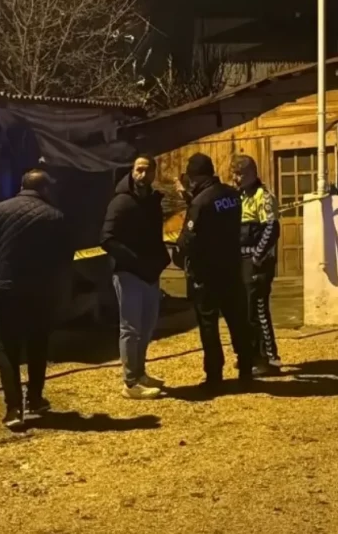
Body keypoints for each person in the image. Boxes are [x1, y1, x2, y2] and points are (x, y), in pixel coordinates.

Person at [0, 168, 74, 431]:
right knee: (37, 345)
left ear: (22, 186)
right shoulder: (55, 216)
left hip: (6, 289)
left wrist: (5, 261)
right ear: (45, 189)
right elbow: (65, 257)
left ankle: (13, 409)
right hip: (41, 291)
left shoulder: (0, 209)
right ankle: (35, 399)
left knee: (8, 349)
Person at [171, 153, 257, 391]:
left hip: (206, 273)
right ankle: (246, 367)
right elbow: (215, 214)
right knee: (237, 320)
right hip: (232, 268)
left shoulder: (200, 203)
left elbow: (189, 237)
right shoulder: (232, 195)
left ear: (196, 177)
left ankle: (214, 374)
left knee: (208, 324)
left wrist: (178, 256)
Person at [101, 154, 171, 400]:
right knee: (130, 328)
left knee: (147, 326)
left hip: (150, 273)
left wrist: (160, 260)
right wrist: (134, 261)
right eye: (139, 169)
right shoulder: (121, 201)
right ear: (131, 171)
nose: (143, 174)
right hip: (128, 272)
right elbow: (107, 238)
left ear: (154, 172)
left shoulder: (152, 200)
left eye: (147, 170)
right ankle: (130, 382)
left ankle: (140, 373)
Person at [231, 155, 282, 375]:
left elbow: (271, 228)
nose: (236, 178)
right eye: (234, 174)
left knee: (257, 309)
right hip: (241, 262)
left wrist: (257, 256)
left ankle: (268, 358)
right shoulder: (239, 197)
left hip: (257, 263)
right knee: (244, 311)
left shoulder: (264, 196)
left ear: (252, 173)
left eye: (240, 174)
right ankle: (251, 354)